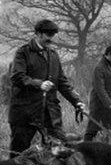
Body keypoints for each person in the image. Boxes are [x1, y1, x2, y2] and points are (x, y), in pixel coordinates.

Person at [9, 19, 85, 157]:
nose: (50, 39)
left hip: (50, 112)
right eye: (48, 35)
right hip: (25, 112)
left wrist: (77, 101)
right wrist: (39, 84)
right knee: (18, 152)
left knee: (60, 149)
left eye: (52, 35)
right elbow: (17, 77)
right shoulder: (23, 53)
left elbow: (62, 82)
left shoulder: (54, 55)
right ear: (38, 34)